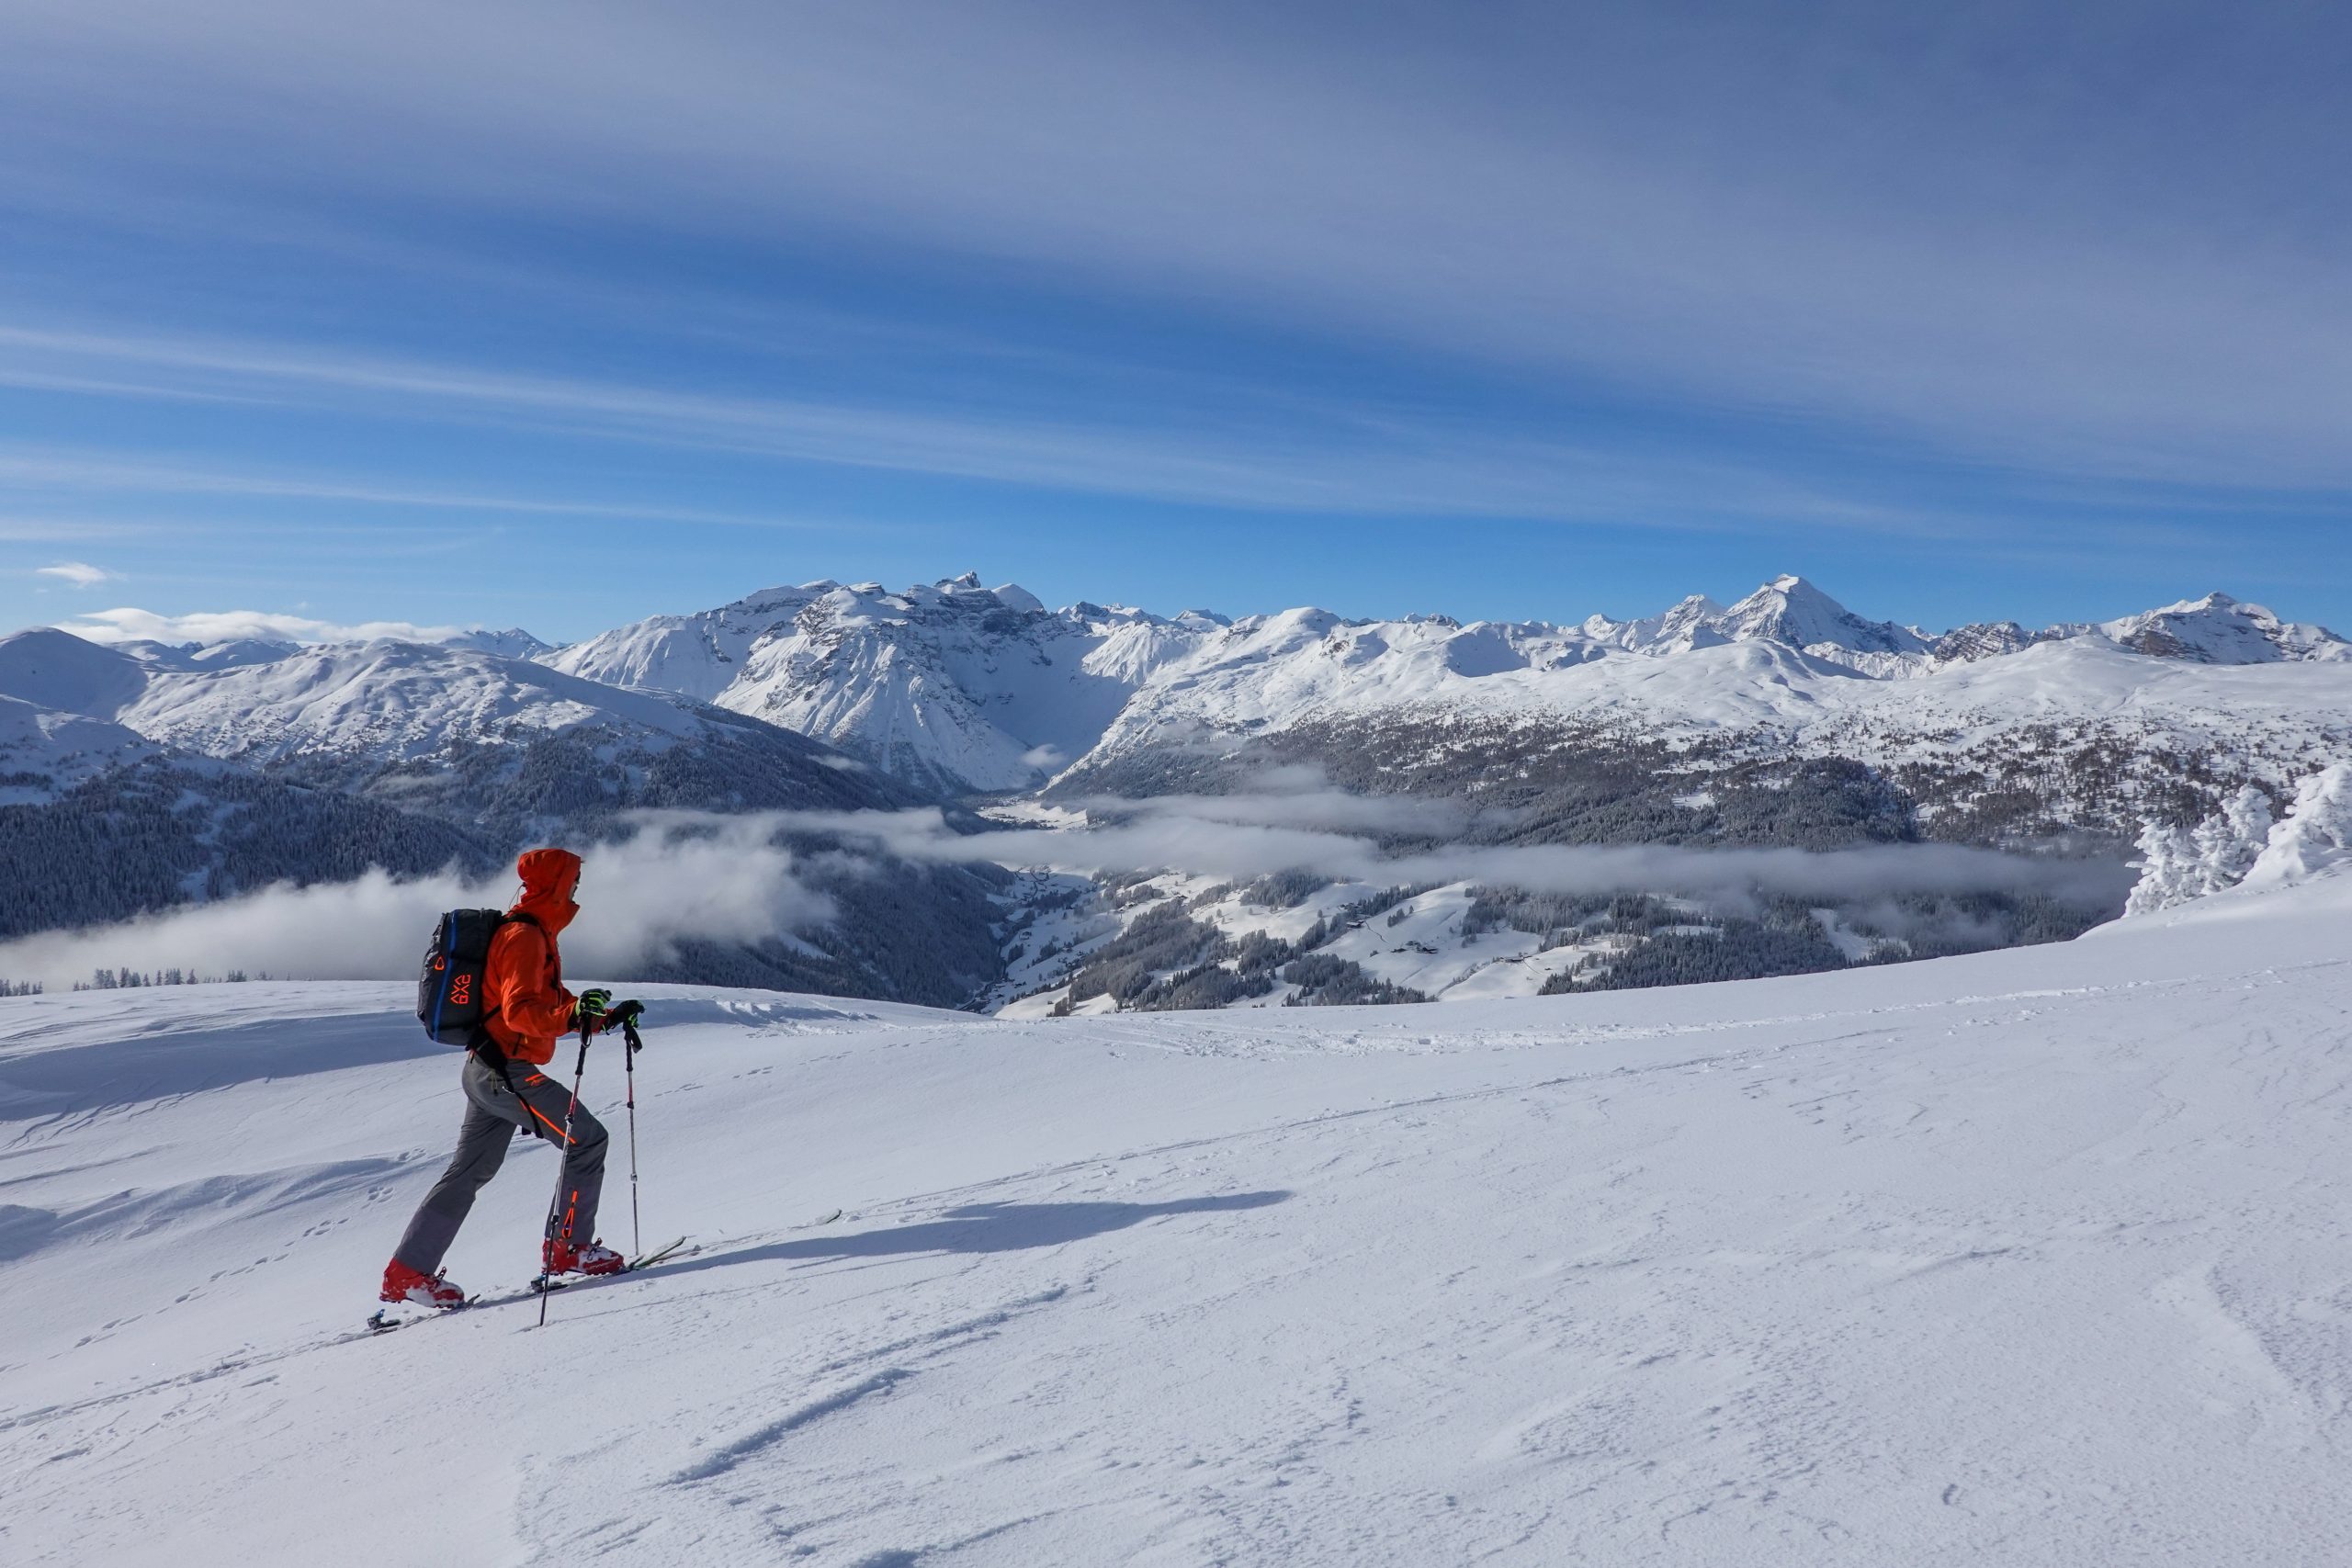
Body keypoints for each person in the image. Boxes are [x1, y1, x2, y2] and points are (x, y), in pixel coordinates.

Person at [380, 848, 639, 1308]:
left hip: (486, 1069)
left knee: (469, 1170)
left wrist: (602, 1017)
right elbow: (522, 1014)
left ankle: (407, 1273)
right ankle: (569, 1249)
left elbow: (552, 1002)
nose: (578, 889)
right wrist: (570, 1015)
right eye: (573, 882)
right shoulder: (524, 937)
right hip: (504, 1071)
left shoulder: (533, 932)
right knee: (586, 1139)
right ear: (556, 886)